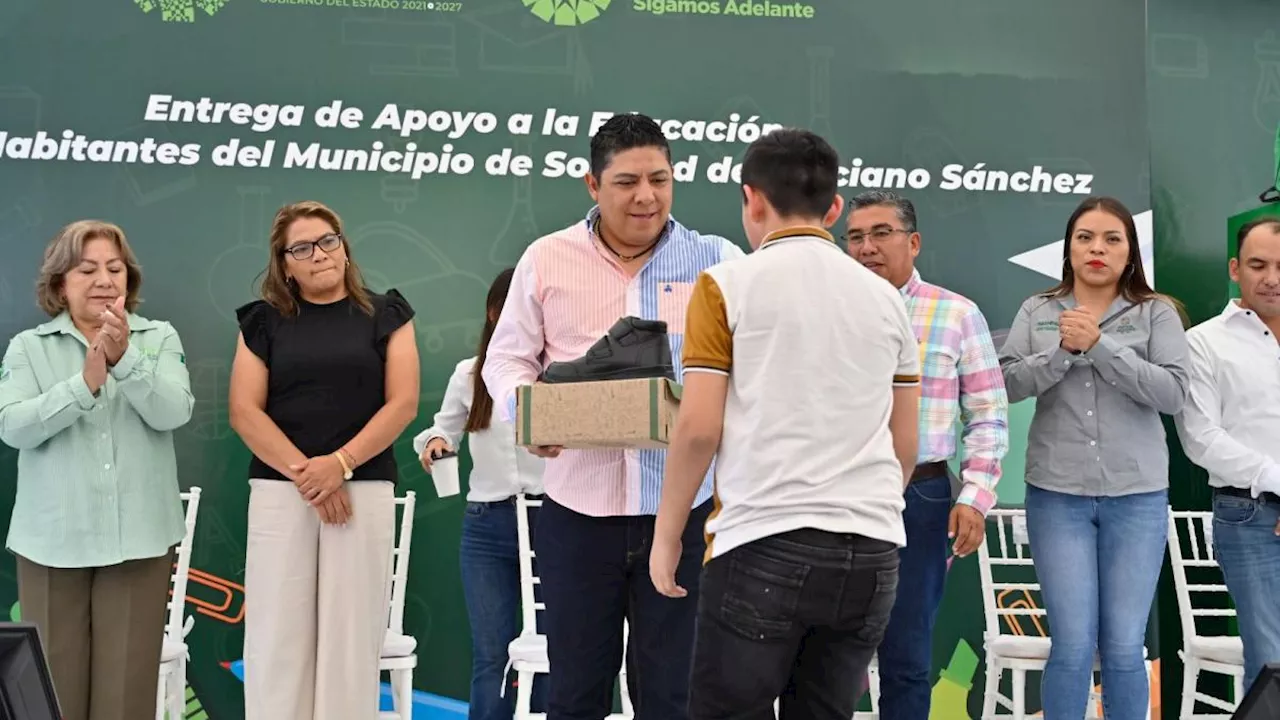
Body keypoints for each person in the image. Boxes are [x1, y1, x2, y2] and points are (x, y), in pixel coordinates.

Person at [650, 128, 921, 720]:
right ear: (833, 208)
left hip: (763, 540)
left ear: (751, 199)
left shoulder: (726, 285)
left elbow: (698, 428)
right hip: (873, 551)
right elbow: (905, 447)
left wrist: (668, 534)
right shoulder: (887, 300)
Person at [481, 112, 744, 720]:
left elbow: (752, 367)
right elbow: (507, 359)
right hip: (578, 514)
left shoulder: (717, 260)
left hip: (684, 513)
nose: (646, 196)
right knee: (575, 693)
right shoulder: (547, 258)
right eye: (627, 181)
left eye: (660, 178)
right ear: (592, 185)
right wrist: (533, 415)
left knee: (673, 694)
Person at [999, 196, 1189, 720]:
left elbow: (1173, 394)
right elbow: (1007, 383)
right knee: (1073, 643)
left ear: (1130, 254)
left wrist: (1100, 345)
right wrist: (1062, 354)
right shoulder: (1038, 310)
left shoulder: (1157, 313)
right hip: (1057, 496)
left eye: (1112, 239)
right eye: (1085, 238)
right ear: (1068, 249)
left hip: (1137, 496)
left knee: (1125, 646)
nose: (1097, 249)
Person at [229, 201, 420, 720]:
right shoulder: (263, 321)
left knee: (351, 638)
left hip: (362, 489)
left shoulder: (387, 313)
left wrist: (340, 464)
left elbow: (402, 403)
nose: (319, 255)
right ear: (284, 263)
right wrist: (312, 476)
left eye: (328, 240)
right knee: (276, 637)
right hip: (281, 491)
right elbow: (244, 411)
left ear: (344, 245)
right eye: (302, 248)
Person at [0, 220, 192, 720]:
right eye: (87, 269)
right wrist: (81, 388)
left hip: (140, 542)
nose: (105, 279)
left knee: (125, 697)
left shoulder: (158, 338)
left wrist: (125, 361)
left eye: (115, 268)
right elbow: (12, 427)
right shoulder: (28, 347)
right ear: (60, 283)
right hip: (52, 546)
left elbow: (174, 411)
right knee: (50, 694)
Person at [845, 190, 1009, 720]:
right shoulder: (830, 312)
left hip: (922, 494)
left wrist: (976, 497)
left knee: (908, 654)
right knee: (828, 654)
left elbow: (987, 413)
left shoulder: (957, 314)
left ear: (913, 242)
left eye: (881, 233)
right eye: (855, 236)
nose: (867, 247)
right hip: (837, 492)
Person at [413, 267, 547, 720]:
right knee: (492, 654)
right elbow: (441, 429)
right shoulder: (470, 374)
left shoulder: (561, 373)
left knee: (550, 652)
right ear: (493, 313)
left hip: (552, 519)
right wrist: (434, 444)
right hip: (486, 524)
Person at [1174, 217, 1280, 693]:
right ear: (1235, 269)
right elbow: (1201, 438)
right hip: (1249, 514)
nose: (1271, 277)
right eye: (1258, 265)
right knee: (1270, 662)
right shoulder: (1203, 342)